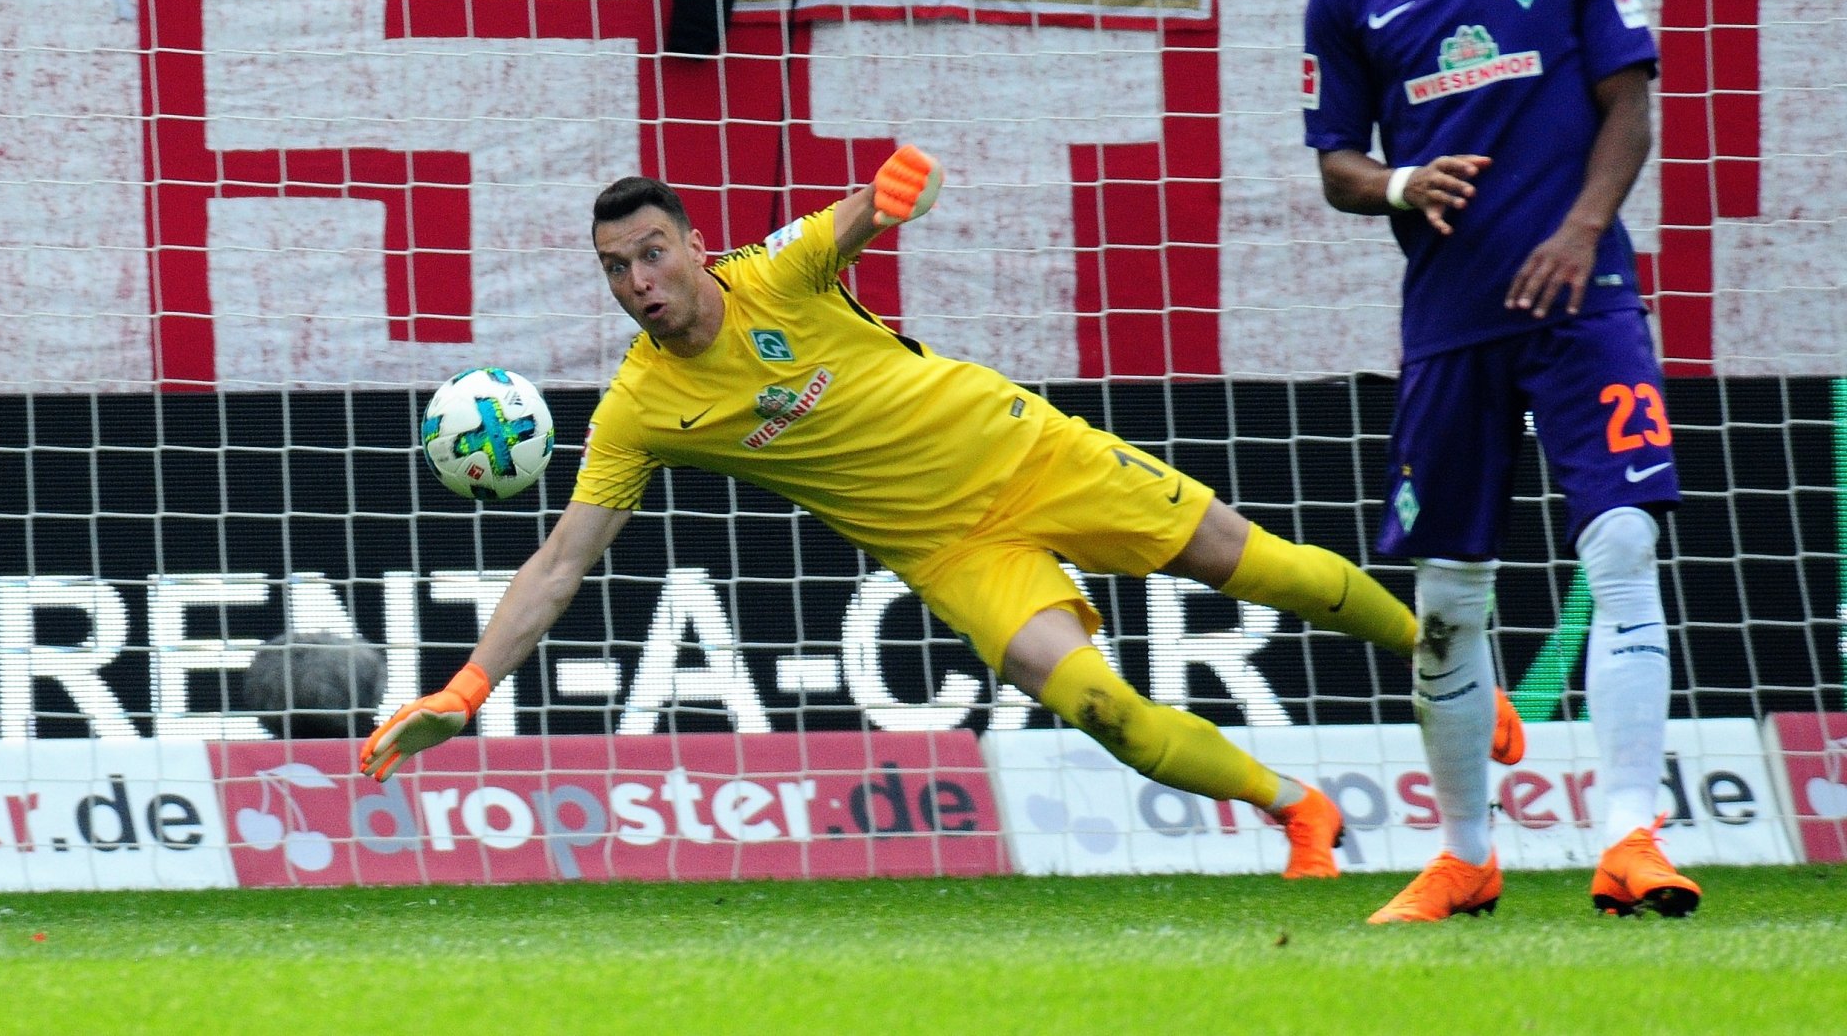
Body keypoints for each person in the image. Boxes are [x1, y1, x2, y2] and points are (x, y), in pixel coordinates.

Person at [362, 147, 1524, 878]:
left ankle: (1461, 676)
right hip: (953, 552)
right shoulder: (640, 410)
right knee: (1100, 710)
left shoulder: (774, 275)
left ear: (696, 245)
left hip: (1032, 452)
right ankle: (1298, 812)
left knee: (1257, 567)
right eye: (617, 268)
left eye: (653, 253)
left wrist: (893, 187)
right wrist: (465, 691)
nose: (640, 282)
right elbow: (563, 563)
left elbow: (854, 216)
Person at [1301, 0, 1697, 922]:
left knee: (1623, 546)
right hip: (1450, 325)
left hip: (1586, 304)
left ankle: (1631, 835)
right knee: (1449, 601)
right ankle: (1467, 854)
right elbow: (1334, 163)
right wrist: (1402, 184)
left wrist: (1582, 231)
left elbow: (1628, 107)